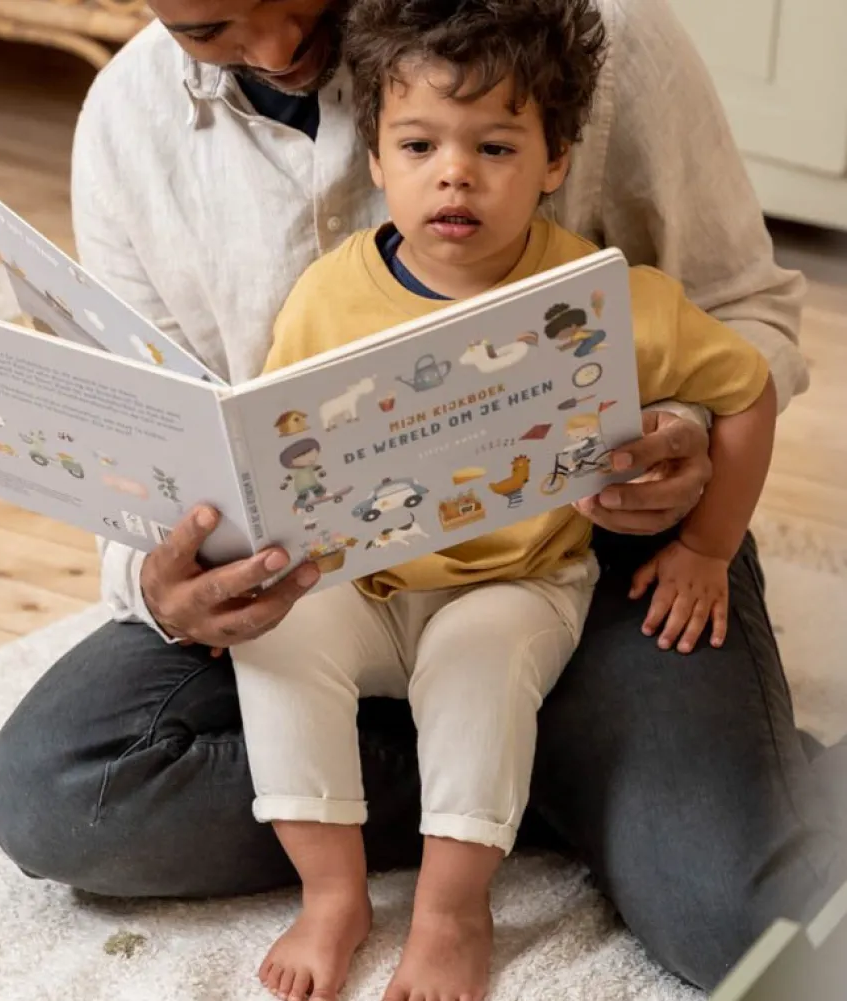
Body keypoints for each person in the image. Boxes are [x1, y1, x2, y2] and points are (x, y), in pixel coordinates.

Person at [0, 0, 844, 992]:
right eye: (208, 28)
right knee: (57, 793)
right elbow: (151, 432)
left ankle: (522, 790)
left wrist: (691, 473)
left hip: (578, 552)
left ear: (550, 154)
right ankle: (509, 780)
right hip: (335, 573)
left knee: (745, 924)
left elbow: (742, 331)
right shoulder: (129, 123)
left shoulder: (605, 37)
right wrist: (158, 579)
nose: (276, 51)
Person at [228, 3, 778, 998]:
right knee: (273, 639)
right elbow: (275, 445)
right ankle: (332, 892)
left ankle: (451, 910)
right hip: (361, 578)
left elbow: (745, 389)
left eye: (494, 147)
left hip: (516, 582)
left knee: (477, 669)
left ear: (553, 159)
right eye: (419, 146)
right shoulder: (325, 294)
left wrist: (708, 544)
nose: (455, 174)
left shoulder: (601, 298)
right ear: (377, 158)